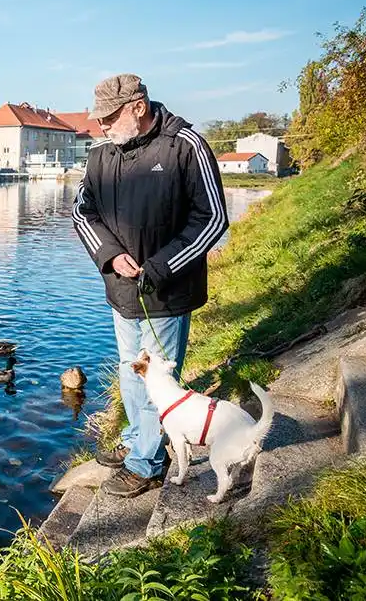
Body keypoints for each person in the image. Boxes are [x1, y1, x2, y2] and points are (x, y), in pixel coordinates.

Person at [72, 74, 228, 498]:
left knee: (157, 380)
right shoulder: (100, 156)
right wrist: (108, 254)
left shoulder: (185, 146)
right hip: (121, 293)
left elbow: (212, 219)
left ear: (137, 107)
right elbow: (82, 214)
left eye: (108, 117)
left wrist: (159, 267)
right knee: (130, 373)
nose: (100, 126)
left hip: (167, 292)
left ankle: (146, 464)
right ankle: (136, 440)